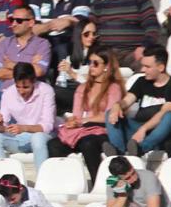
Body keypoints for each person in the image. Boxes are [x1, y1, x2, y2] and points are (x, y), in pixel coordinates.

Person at [47, 46, 123, 179]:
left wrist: (83, 120)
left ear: (106, 66)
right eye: (89, 62)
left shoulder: (113, 88)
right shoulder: (83, 88)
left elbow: (109, 115)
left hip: (103, 129)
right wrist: (72, 121)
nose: (91, 66)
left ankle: (97, 181)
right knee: (54, 144)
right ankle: (62, 181)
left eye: (96, 63)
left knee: (88, 143)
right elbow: (77, 114)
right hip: (84, 130)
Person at [89, 0, 163, 72]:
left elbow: (152, 27)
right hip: (105, 53)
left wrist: (144, 47)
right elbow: (90, 26)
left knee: (145, 67)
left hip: (132, 52)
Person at [105, 45, 171, 154]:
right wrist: (117, 106)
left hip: (157, 133)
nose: (143, 69)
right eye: (143, 65)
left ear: (161, 67)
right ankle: (118, 151)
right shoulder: (141, 81)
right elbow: (126, 101)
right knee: (110, 112)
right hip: (136, 129)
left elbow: (165, 112)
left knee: (170, 116)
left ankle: (141, 148)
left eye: (147, 66)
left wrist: (143, 129)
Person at [30, 0, 91, 78]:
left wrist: (68, 21)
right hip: (43, 41)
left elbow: (81, 24)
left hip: (69, 41)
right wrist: (57, 23)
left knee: (61, 45)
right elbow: (33, 29)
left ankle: (62, 82)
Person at [0, 64, 56, 166]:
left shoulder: (46, 91)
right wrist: (0, 124)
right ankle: (2, 178)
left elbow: (48, 126)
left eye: (25, 87)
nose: (21, 91)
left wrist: (23, 128)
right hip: (22, 138)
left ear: (34, 81)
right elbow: (1, 128)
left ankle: (42, 178)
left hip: (45, 137)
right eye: (18, 87)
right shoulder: (8, 93)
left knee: (37, 138)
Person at [103, 156, 168, 207]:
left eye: (133, 173)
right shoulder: (113, 184)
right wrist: (123, 193)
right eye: (128, 178)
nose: (133, 179)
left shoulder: (149, 177)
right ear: (118, 179)